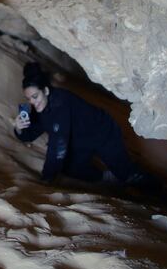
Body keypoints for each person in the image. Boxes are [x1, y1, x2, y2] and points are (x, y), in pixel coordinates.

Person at [14, 62, 145, 185]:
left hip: (102, 131)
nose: (32, 102)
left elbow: (58, 146)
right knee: (68, 166)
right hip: (79, 139)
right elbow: (30, 135)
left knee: (127, 174)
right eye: (28, 98)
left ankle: (153, 190)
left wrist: (46, 178)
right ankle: (105, 178)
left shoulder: (61, 102)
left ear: (46, 91)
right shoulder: (40, 108)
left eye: (35, 96)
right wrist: (19, 129)